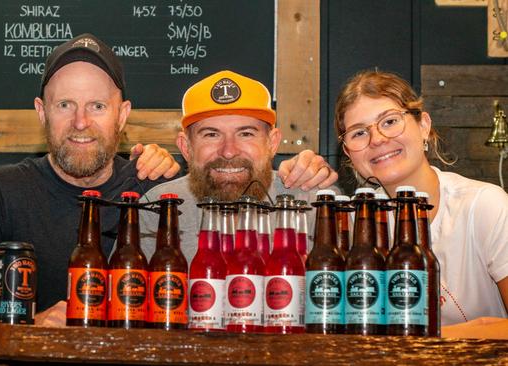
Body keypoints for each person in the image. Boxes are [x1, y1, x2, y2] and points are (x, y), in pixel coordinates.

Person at [0, 33, 180, 313]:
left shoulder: (151, 192)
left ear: (123, 114)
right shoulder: (0, 193)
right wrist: (31, 331)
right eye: (65, 105)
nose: (81, 122)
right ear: (42, 112)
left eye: (98, 106)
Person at [334, 70, 508, 325]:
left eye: (390, 121)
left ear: (423, 126)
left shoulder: (485, 207)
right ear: (349, 153)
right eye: (359, 132)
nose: (378, 139)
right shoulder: (352, 225)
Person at [139, 70, 339, 262]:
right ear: (186, 147)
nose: (228, 151)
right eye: (211, 134)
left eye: (246, 134)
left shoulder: (312, 203)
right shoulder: (157, 208)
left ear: (273, 143)